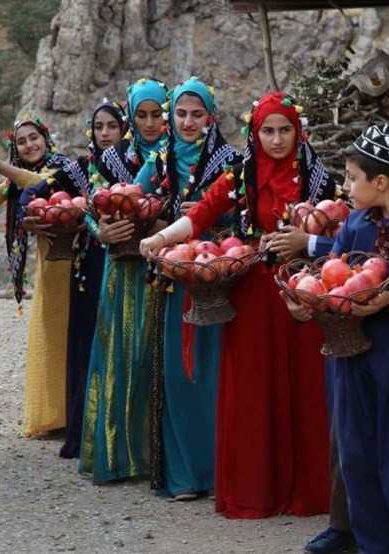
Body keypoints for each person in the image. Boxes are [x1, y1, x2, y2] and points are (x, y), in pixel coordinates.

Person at [140, 91, 334, 519]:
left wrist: (308, 242)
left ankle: (310, 492)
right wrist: (159, 239)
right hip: (251, 299)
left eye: (285, 130)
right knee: (252, 390)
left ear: (297, 131)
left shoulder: (316, 174)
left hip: (302, 295)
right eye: (268, 131)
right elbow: (201, 215)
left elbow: (339, 225)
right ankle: (255, 491)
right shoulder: (238, 173)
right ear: (255, 132)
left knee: (306, 389)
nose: (277, 139)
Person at [283, 124, 389, 554]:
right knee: (358, 455)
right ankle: (374, 547)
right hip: (351, 351)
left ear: (380, 182)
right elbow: (330, 276)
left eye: (350, 178)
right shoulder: (355, 225)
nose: (344, 187)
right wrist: (306, 305)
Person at [133, 77, 242, 500]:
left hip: (223, 279)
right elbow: (126, 204)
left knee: (218, 374)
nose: (188, 122)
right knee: (180, 376)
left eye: (197, 114)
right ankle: (185, 475)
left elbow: (248, 218)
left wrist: (214, 222)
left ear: (211, 116)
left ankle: (224, 472)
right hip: (174, 283)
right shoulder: (158, 161)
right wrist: (158, 221)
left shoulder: (232, 161)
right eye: (180, 113)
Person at [19, 100, 127, 459]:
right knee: (87, 344)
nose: (106, 134)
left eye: (112, 126)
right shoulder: (83, 169)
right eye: (99, 128)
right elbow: (35, 194)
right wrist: (31, 217)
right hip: (89, 265)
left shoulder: (140, 165)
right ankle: (85, 432)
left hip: (130, 266)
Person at [78, 78, 169, 484]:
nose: (149, 123)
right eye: (142, 115)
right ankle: (117, 455)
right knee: (120, 352)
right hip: (121, 271)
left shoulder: (180, 156)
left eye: (157, 114)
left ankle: (157, 458)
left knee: (156, 356)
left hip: (164, 267)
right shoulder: (111, 158)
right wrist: (100, 231)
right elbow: (87, 205)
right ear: (131, 117)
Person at [0, 115, 72, 439]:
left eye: (33, 137)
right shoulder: (15, 181)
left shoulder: (63, 169)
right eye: (21, 142)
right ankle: (55, 417)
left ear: (46, 138)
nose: (29, 145)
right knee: (50, 342)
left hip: (74, 265)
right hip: (50, 269)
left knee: (70, 339)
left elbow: (39, 184)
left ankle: (73, 414)